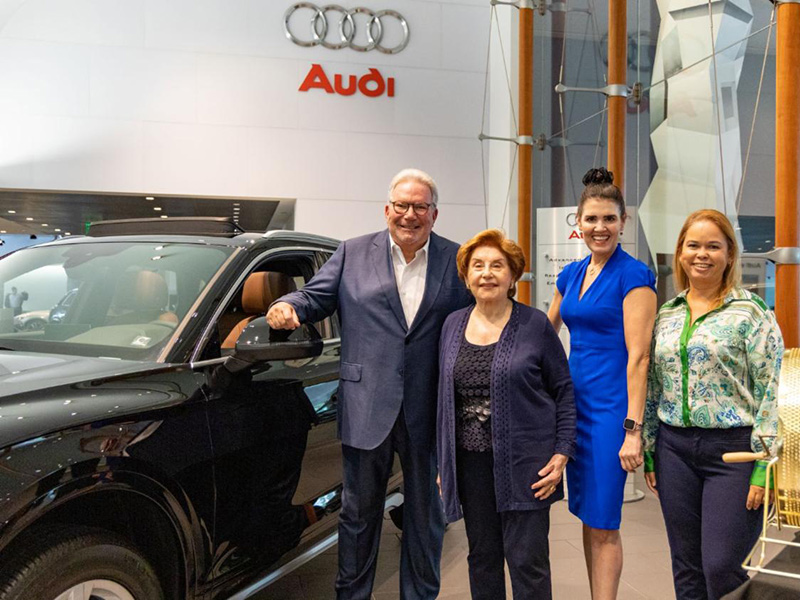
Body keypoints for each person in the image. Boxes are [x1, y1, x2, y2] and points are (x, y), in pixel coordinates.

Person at [266, 168, 471, 600]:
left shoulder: (456, 260)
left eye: (420, 207)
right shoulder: (352, 253)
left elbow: (479, 318)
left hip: (428, 410)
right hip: (366, 404)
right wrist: (287, 305)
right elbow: (314, 295)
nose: (409, 215)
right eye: (402, 205)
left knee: (426, 517)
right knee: (358, 517)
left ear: (435, 214)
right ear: (387, 209)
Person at [643, 209, 783, 600]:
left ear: (729, 255)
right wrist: (651, 449)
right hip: (674, 451)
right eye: (693, 245)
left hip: (735, 453)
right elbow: (655, 386)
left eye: (712, 246)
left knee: (721, 566)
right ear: (680, 253)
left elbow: (772, 387)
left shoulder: (751, 313)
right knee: (686, 565)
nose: (701, 254)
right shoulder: (667, 315)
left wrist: (763, 465)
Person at [437, 229, 576, 599]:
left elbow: (563, 391)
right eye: (478, 266)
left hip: (527, 463)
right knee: (482, 557)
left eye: (497, 265)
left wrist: (561, 454)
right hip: (471, 466)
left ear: (513, 275)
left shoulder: (535, 325)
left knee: (527, 560)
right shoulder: (452, 325)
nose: (487, 273)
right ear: (466, 277)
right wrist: (444, 465)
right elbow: (444, 403)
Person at [547, 167, 657, 599]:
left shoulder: (634, 275)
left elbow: (640, 356)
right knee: (589, 518)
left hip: (612, 411)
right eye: (591, 219)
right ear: (579, 221)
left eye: (609, 219)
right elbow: (542, 333)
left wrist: (633, 430)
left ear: (623, 222)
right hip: (574, 406)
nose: (600, 227)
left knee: (605, 521)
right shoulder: (571, 275)